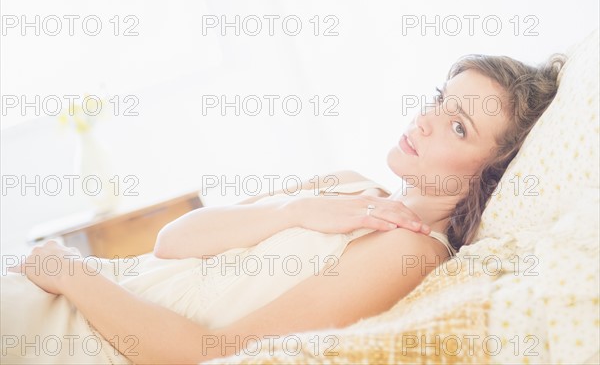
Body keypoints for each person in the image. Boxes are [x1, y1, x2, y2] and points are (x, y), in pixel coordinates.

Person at [1, 53, 566, 364]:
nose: (425, 119)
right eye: (441, 100)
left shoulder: (411, 251)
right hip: (78, 293)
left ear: (490, 173)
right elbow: (171, 242)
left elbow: (207, 356)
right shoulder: (348, 185)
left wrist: (71, 274)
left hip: (88, 330)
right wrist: (293, 209)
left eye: (458, 125)